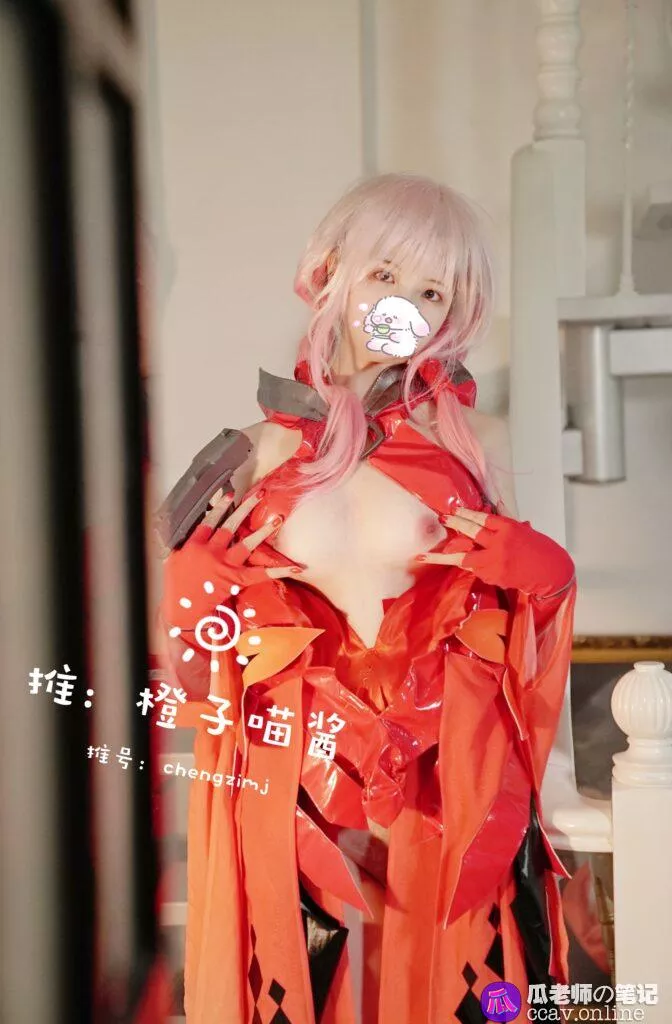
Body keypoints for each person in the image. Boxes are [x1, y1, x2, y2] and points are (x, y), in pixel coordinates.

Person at [157, 173, 577, 1024]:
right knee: (304, 989)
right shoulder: (254, 452)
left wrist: (547, 577)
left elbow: (521, 628)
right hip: (302, 779)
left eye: (432, 291)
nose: (404, 307)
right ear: (330, 271)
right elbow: (187, 663)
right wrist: (189, 588)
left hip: (445, 775)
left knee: (454, 985)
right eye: (386, 274)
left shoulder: (479, 444)